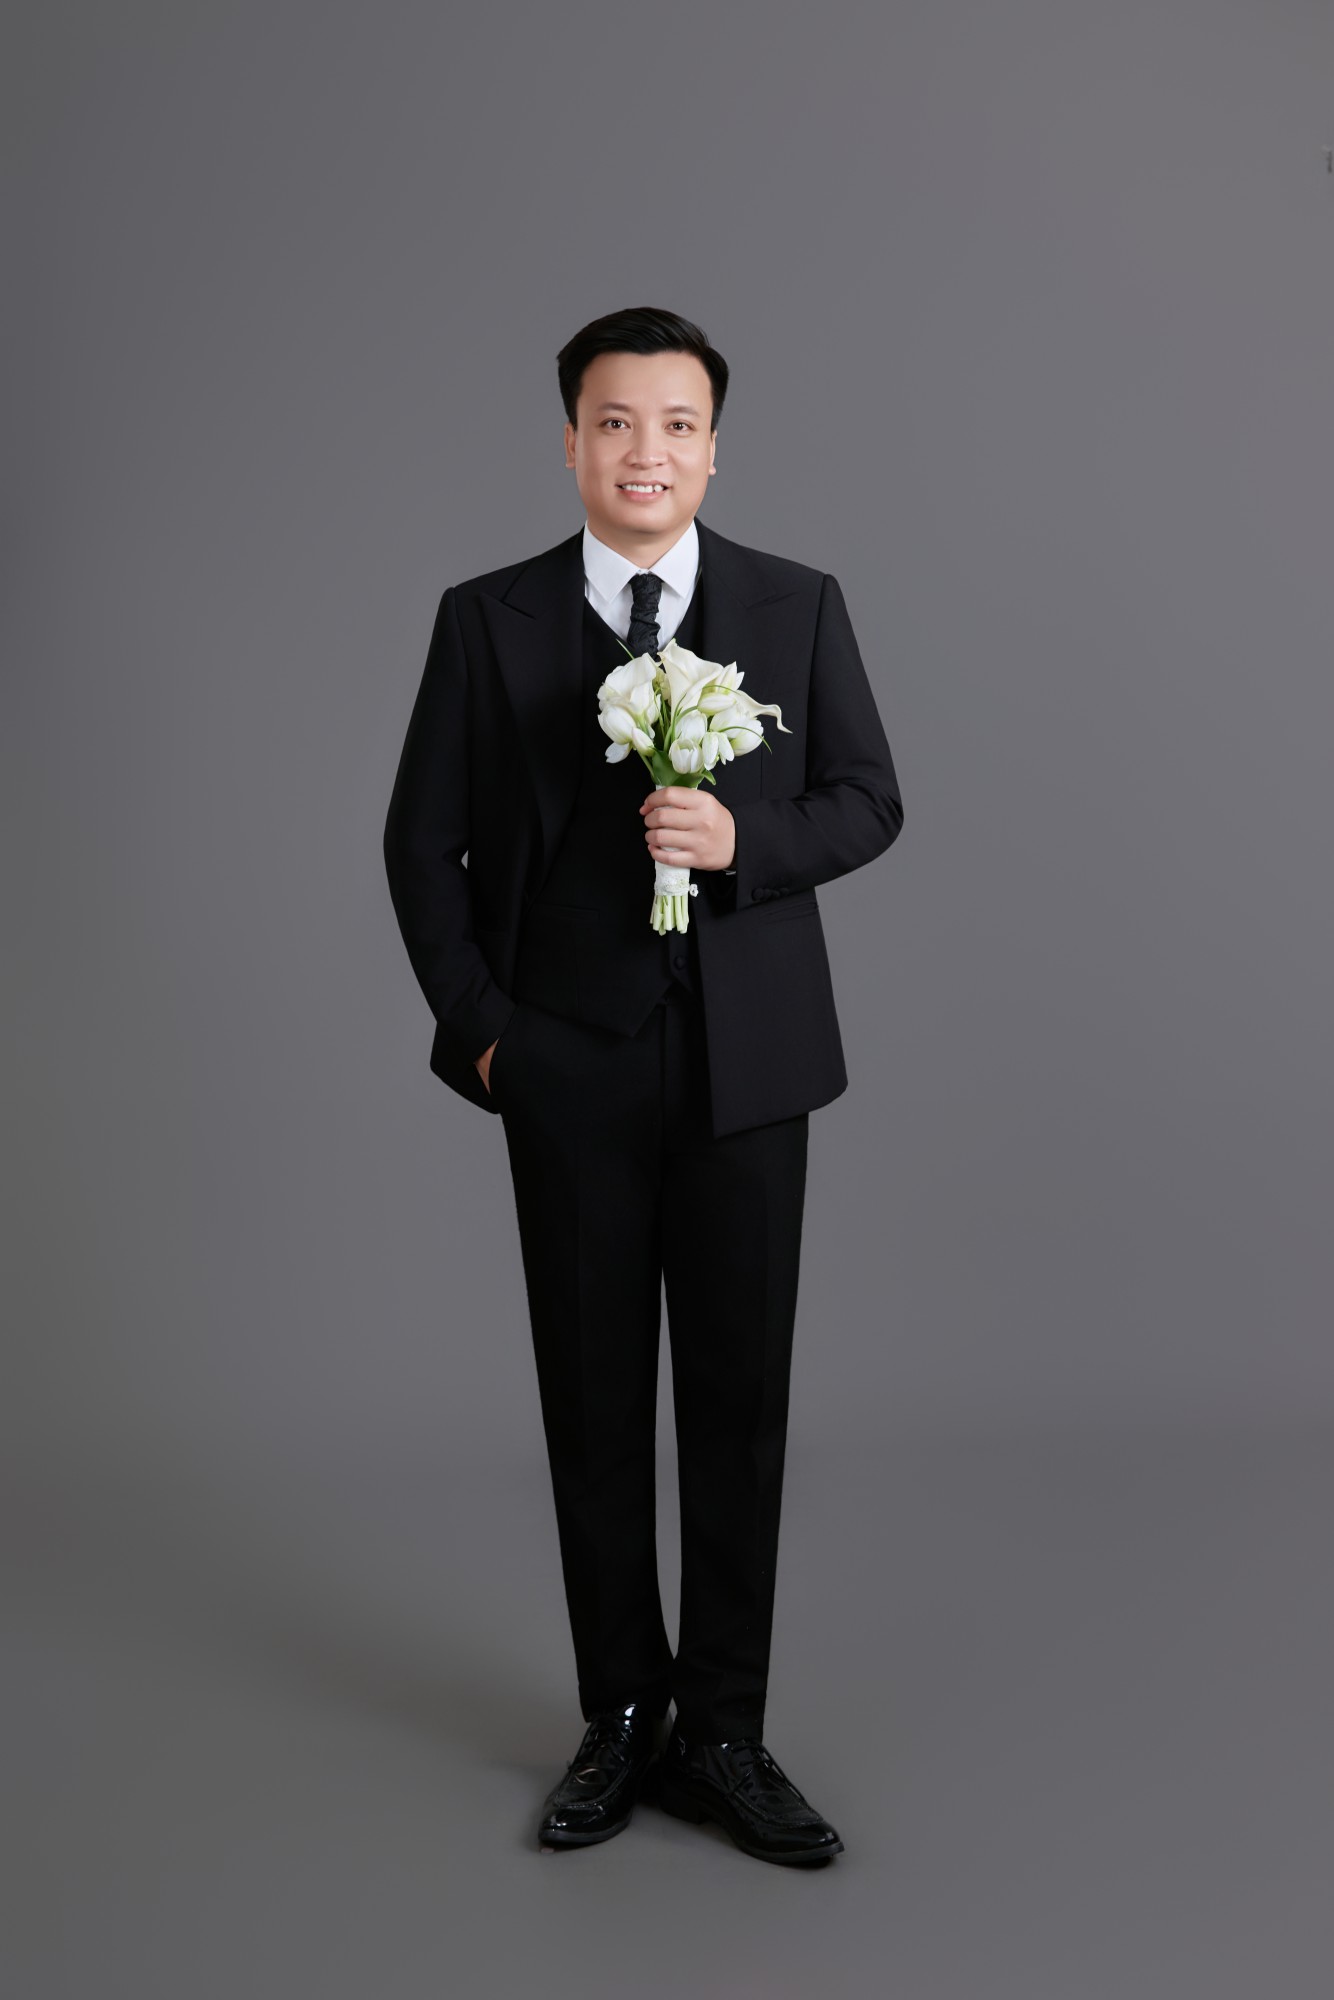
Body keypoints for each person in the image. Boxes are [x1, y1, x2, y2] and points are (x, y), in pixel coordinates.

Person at [383, 306, 903, 1867]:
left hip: (749, 1065)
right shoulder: (486, 621)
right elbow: (419, 843)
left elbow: (868, 797)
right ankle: (618, 1716)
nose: (645, 452)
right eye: (615, 422)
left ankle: (725, 1732)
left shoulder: (795, 603)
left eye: (676, 424)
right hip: (567, 1064)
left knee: (738, 1405)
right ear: (570, 442)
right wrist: (489, 1034)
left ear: (713, 447)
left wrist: (745, 844)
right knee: (593, 1399)